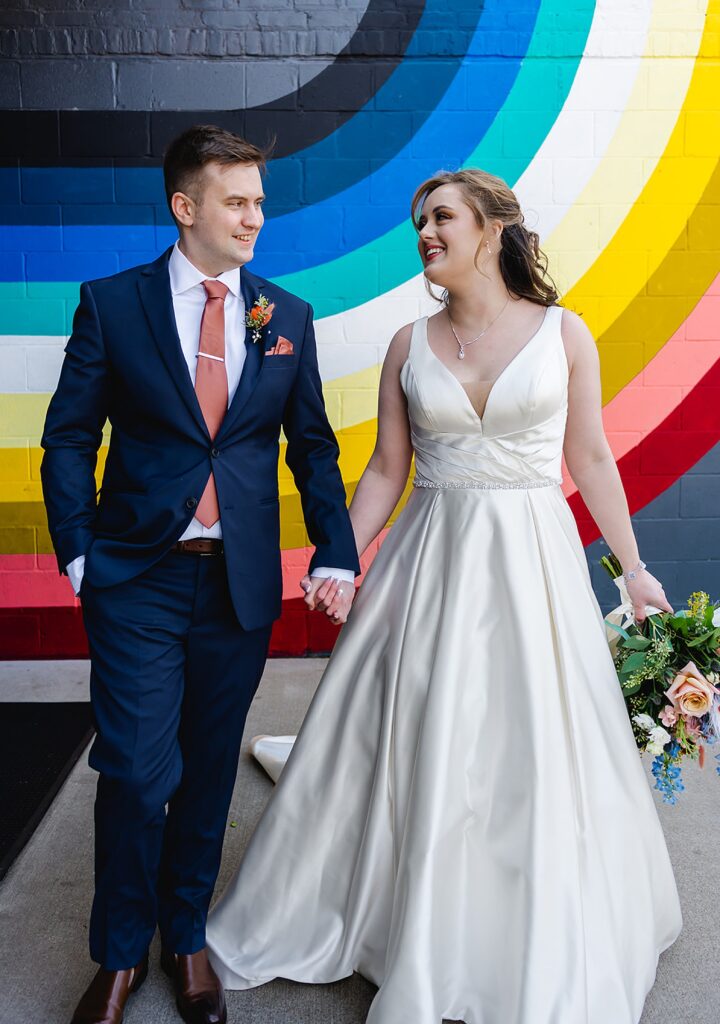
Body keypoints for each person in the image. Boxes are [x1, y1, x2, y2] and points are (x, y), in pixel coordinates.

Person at [206, 169, 683, 1024]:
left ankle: (520, 923)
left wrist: (634, 568)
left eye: (442, 217)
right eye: (419, 221)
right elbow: (390, 467)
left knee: (529, 737)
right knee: (420, 722)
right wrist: (340, 558)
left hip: (532, 565)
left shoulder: (565, 334)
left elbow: (593, 458)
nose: (425, 231)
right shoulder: (407, 343)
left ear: (493, 227)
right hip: (430, 561)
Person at [40, 124, 359, 1024]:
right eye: (237, 201)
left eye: (260, 200)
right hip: (135, 575)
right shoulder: (111, 303)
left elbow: (312, 447)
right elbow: (69, 438)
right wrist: (79, 552)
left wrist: (336, 547)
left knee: (211, 770)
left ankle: (185, 940)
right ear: (186, 208)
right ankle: (116, 954)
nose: (256, 216)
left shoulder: (285, 316)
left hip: (238, 584)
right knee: (141, 772)